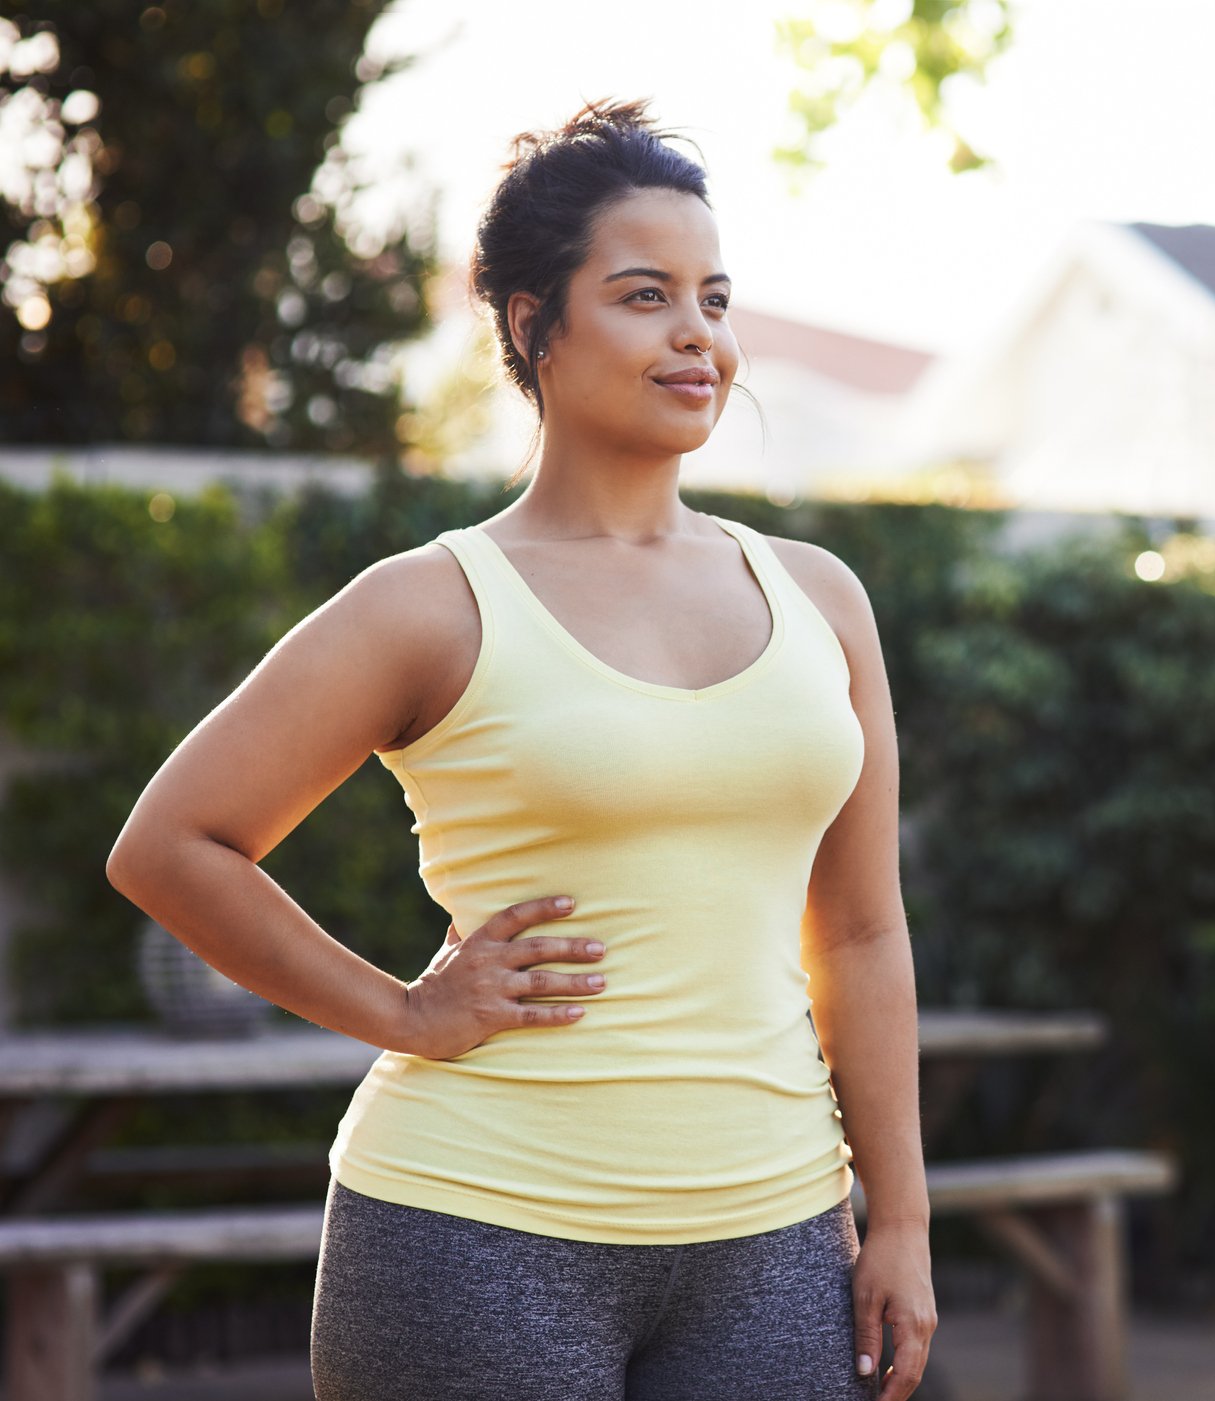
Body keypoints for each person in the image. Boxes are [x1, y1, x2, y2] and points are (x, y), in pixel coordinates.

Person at [103, 97, 936, 1400]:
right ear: (531, 323)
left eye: (715, 299)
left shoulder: (822, 597)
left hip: (771, 1236)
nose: (696, 335)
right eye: (645, 295)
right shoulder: (428, 603)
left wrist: (902, 1216)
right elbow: (172, 846)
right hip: (476, 1227)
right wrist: (400, 1009)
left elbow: (865, 935)